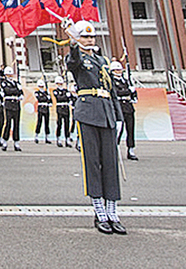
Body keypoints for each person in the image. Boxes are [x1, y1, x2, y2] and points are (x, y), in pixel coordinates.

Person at [64, 19, 125, 235]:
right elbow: (72, 63)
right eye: (85, 36)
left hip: (107, 113)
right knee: (93, 163)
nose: (89, 40)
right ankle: (99, 212)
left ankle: (113, 212)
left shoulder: (103, 61)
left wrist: (118, 118)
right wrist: (72, 43)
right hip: (88, 113)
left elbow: (112, 91)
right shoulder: (78, 58)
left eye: (91, 36)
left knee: (110, 164)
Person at [111, 61, 138, 161]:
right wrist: (128, 91)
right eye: (117, 70)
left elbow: (132, 93)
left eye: (120, 70)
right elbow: (116, 92)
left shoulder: (126, 81)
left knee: (130, 129)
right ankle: (115, 148)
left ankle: (131, 149)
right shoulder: (112, 81)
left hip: (128, 107)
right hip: (119, 108)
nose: (119, 71)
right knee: (119, 130)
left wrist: (134, 94)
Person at [0, 65, 23, 152]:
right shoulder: (4, 83)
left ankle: (16, 142)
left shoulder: (16, 83)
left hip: (16, 105)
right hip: (9, 104)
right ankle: (5, 141)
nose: (10, 76)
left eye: (11, 74)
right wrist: (16, 91)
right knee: (8, 123)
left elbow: (20, 93)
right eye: (8, 74)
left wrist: (19, 93)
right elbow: (8, 91)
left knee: (16, 124)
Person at [53, 75, 74, 148]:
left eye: (61, 83)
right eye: (59, 83)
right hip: (59, 108)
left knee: (67, 124)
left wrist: (69, 96)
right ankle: (58, 139)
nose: (60, 85)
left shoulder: (66, 91)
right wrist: (66, 96)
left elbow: (70, 99)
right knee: (59, 124)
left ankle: (67, 139)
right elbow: (59, 98)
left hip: (66, 108)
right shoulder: (55, 91)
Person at [33, 79, 51, 145]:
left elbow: (50, 101)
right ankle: (36, 136)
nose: (41, 87)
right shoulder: (37, 92)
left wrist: (49, 97)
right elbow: (40, 99)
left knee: (47, 123)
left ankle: (47, 137)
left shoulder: (46, 93)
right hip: (41, 108)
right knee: (39, 122)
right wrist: (46, 97)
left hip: (46, 108)